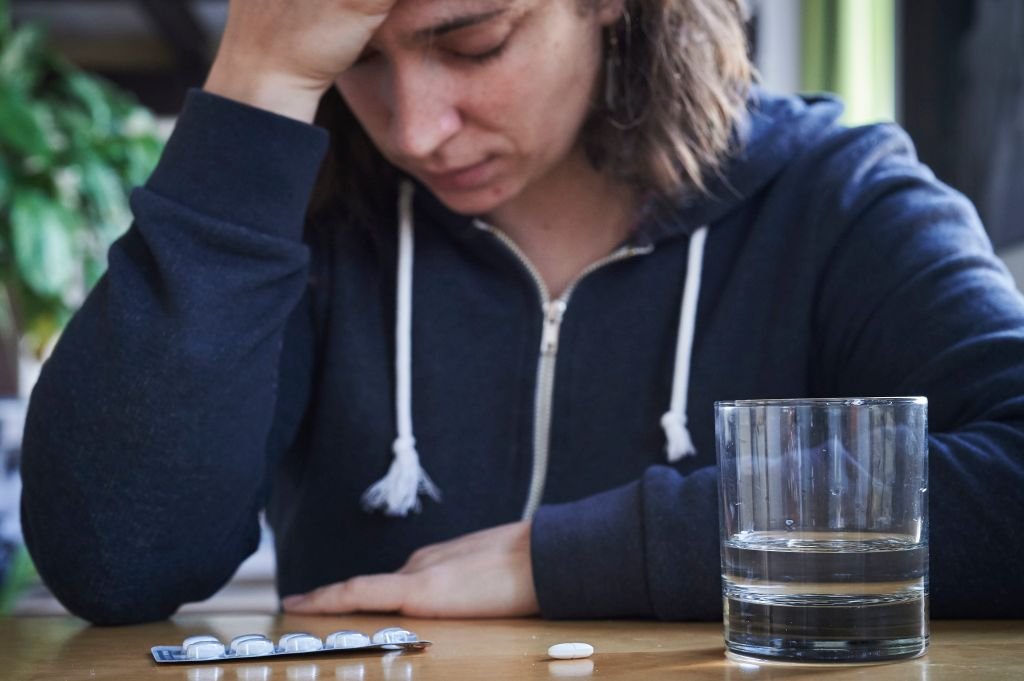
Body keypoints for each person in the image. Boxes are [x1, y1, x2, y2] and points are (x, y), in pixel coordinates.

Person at [19, 0, 1024, 626]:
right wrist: (259, 78)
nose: (416, 127)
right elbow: (116, 559)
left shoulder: (838, 198)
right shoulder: (312, 219)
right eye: (358, 61)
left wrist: (568, 559)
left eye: (473, 41)